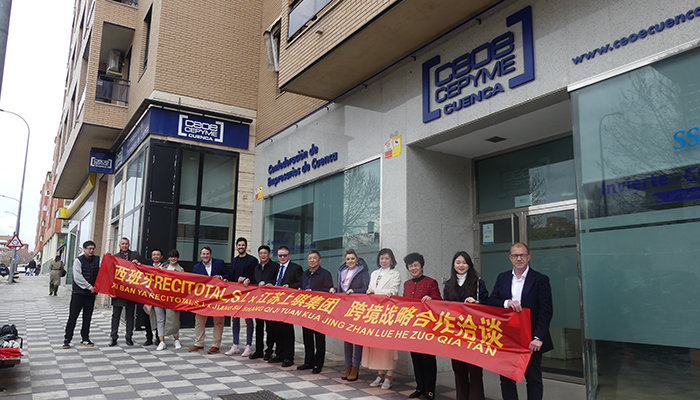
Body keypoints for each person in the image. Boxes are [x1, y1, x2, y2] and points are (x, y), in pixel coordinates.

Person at [485, 243, 553, 400]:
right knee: (506, 378)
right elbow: (491, 301)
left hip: (531, 338)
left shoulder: (540, 279)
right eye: (515, 255)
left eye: (522, 255)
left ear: (528, 257)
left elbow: (546, 311)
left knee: (533, 378)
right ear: (510, 258)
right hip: (507, 337)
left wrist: (538, 337)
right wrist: (506, 303)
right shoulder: (502, 278)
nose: (519, 258)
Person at [443, 251, 489, 400]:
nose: (461, 265)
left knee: (475, 371)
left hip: (473, 333)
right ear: (453, 265)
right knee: (459, 370)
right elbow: (444, 306)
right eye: (458, 262)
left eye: (464, 262)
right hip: (455, 334)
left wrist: (477, 303)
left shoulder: (478, 282)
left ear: (469, 265)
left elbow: (488, 304)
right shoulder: (448, 284)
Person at [403, 253, 441, 400]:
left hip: (427, 327)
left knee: (428, 359)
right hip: (412, 327)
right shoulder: (407, 284)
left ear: (421, 266)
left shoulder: (431, 282)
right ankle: (420, 387)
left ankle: (430, 390)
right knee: (416, 358)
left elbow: (439, 301)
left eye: (416, 265)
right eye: (410, 266)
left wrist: (431, 299)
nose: (413, 268)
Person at [363, 248, 401, 389]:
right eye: (382, 258)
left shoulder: (395, 274)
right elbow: (369, 290)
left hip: (388, 313)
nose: (384, 261)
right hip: (375, 313)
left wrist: (375, 292)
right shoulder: (374, 273)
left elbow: (393, 291)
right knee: (376, 345)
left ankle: (389, 376)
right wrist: (371, 292)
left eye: (387, 258)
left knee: (388, 346)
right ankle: (380, 374)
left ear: (391, 260)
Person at [330, 249, 370, 381]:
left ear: (356, 259)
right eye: (348, 259)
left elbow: (366, 289)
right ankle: (347, 366)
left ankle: (355, 367)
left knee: (357, 339)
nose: (350, 261)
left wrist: (355, 291)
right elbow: (342, 289)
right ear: (345, 261)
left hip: (357, 308)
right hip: (345, 308)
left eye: (352, 258)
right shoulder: (342, 272)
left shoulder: (363, 272)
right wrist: (334, 289)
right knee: (346, 338)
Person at [298, 250, 334, 373]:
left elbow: (328, 291)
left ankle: (318, 364)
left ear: (319, 260)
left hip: (319, 311)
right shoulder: (305, 274)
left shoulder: (325, 274)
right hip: (306, 310)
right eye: (310, 258)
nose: (312, 260)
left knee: (319, 339)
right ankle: (308, 361)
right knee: (307, 337)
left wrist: (313, 292)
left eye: (314, 258)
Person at [189, 246, 230, 354]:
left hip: (217, 298)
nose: (205, 256)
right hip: (202, 299)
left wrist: (221, 277)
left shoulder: (219, 263)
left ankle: (216, 345)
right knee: (199, 322)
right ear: (200, 255)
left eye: (207, 254)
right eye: (203, 254)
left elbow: (228, 275)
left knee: (218, 322)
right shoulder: (196, 267)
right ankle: (199, 343)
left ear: (210, 254)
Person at [268, 245, 302, 367]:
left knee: (287, 330)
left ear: (289, 255)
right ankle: (279, 354)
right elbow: (275, 281)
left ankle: (288, 357)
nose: (282, 257)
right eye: (280, 255)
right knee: (276, 329)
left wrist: (289, 286)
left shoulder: (296, 268)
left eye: (285, 255)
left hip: (288, 304)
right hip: (276, 303)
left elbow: (301, 282)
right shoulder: (276, 268)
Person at [62, 241, 99, 349]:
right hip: (78, 294)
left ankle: (85, 338)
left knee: (87, 318)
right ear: (84, 249)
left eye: (93, 248)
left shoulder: (97, 260)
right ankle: (67, 339)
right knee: (73, 317)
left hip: (90, 295)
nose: (91, 250)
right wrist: (89, 287)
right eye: (89, 248)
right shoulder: (78, 260)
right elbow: (78, 277)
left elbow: (104, 269)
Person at [225, 237, 257, 357]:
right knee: (235, 319)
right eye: (239, 245)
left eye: (243, 245)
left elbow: (256, 276)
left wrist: (247, 279)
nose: (241, 247)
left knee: (248, 319)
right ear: (236, 247)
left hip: (248, 294)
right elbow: (232, 276)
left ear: (246, 246)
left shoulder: (252, 260)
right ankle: (235, 345)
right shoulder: (234, 260)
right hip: (236, 294)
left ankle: (248, 346)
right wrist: (224, 279)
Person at [246, 245, 279, 360]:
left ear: (269, 254)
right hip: (259, 301)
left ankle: (269, 350)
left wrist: (269, 283)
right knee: (259, 326)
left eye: (265, 253)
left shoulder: (275, 266)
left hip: (271, 301)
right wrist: (248, 280)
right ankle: (258, 350)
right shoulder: (256, 268)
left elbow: (277, 281)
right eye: (261, 253)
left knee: (270, 327)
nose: (263, 255)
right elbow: (254, 281)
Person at [109, 238, 144, 347]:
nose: (124, 245)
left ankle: (129, 337)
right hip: (118, 291)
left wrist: (138, 264)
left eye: (126, 244)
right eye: (122, 244)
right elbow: (111, 274)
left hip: (131, 291)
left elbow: (142, 271)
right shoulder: (115, 257)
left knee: (130, 315)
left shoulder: (135, 255)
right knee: (116, 315)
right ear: (119, 245)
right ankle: (113, 337)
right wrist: (111, 290)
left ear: (129, 245)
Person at [149, 249, 183, 351]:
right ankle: (162, 342)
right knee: (160, 320)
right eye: (171, 257)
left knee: (173, 319)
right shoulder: (161, 268)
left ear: (178, 258)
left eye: (175, 257)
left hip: (172, 299)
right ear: (168, 258)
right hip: (159, 298)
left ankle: (176, 340)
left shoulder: (181, 270)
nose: (173, 259)